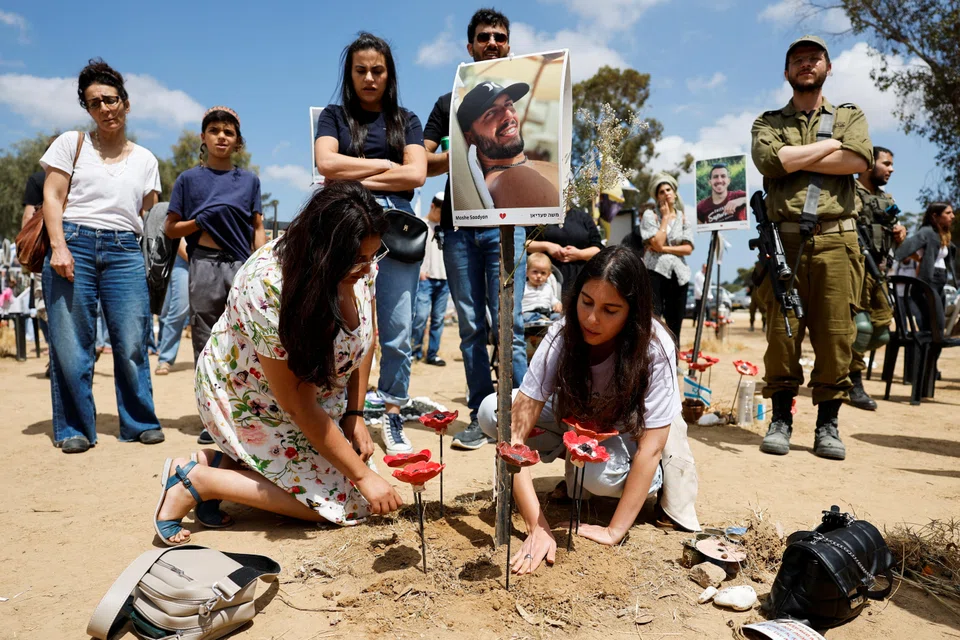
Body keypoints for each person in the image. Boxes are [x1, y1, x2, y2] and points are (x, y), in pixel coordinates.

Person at [154, 182, 404, 545]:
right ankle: (198, 481)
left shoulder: (359, 262)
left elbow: (363, 339)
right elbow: (296, 404)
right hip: (250, 399)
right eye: (358, 261)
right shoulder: (269, 285)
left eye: (373, 256)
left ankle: (221, 464)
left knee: (352, 484)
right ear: (324, 252)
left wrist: (355, 413)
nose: (368, 269)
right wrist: (363, 477)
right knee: (347, 504)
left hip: (311, 397)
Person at [478, 246, 692, 574]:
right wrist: (538, 527)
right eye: (587, 302)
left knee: (598, 479)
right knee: (492, 411)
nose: (592, 319)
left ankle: (650, 482)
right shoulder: (563, 334)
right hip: (573, 420)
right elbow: (515, 433)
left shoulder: (654, 347)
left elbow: (651, 447)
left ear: (632, 312)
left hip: (622, 433)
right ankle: (574, 465)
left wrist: (614, 531)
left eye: (610, 310)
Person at [751, 35, 873, 460]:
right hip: (783, 238)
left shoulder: (849, 114)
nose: (806, 64)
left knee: (837, 333)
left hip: (838, 239)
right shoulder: (767, 122)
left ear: (828, 67)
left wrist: (794, 157)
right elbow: (769, 161)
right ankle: (781, 418)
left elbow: (860, 160)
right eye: (798, 60)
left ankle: (827, 425)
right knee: (782, 333)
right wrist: (830, 147)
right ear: (786, 72)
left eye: (814, 58)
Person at [40, 58, 164, 453]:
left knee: (130, 340)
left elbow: (148, 213)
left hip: (125, 249)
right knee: (72, 343)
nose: (104, 109)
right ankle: (75, 428)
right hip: (74, 241)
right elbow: (52, 196)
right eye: (94, 103)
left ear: (126, 104)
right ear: (88, 110)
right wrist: (58, 245)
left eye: (111, 100)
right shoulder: (70, 143)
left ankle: (139, 421)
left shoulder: (146, 159)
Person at [314, 32, 427, 455]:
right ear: (350, 73)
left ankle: (393, 412)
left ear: (389, 74)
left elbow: (415, 175)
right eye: (360, 69)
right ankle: (342, 412)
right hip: (344, 228)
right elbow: (325, 163)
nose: (369, 77)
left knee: (396, 329)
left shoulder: (408, 120)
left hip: (397, 230)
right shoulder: (333, 116)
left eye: (377, 69)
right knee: (342, 324)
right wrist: (383, 164)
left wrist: (351, 172)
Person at [422, 8, 529, 450]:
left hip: (507, 228)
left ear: (508, 45)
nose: (491, 42)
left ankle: (526, 416)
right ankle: (481, 415)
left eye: (499, 37)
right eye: (483, 36)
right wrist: (457, 151)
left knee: (513, 326)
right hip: (460, 230)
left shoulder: (516, 107)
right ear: (469, 47)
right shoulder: (448, 105)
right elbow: (421, 162)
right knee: (469, 327)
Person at [165, 106, 265, 445]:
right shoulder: (188, 180)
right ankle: (211, 419)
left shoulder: (249, 180)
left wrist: (258, 264)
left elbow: (258, 227)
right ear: (203, 137)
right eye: (215, 130)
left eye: (229, 132)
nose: (222, 136)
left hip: (240, 265)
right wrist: (202, 220)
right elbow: (170, 228)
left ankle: (244, 417)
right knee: (205, 342)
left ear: (237, 141)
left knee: (245, 340)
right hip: (204, 265)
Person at [848, 146, 905, 411]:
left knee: (882, 333)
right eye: (886, 164)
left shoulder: (886, 198)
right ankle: (853, 381)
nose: (891, 169)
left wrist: (899, 232)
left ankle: (844, 363)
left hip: (879, 270)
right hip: (857, 271)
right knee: (862, 329)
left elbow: (891, 229)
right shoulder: (850, 192)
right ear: (869, 165)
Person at [456, 81, 560, 209]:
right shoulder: (513, 180)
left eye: (509, 104)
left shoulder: (520, 172)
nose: (508, 114)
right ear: (470, 137)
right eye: (491, 113)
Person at [640, 173, 694, 340]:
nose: (666, 193)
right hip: (655, 272)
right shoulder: (651, 216)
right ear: (657, 197)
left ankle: (674, 362)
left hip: (679, 275)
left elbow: (688, 248)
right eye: (661, 191)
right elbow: (655, 243)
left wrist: (663, 248)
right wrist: (664, 219)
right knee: (653, 321)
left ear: (675, 192)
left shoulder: (683, 219)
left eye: (668, 189)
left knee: (675, 322)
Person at [526, 206, 603, 299]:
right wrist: (546, 246)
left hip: (579, 278)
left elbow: (598, 249)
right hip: (545, 281)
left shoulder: (583, 217)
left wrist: (579, 254)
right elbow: (524, 243)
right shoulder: (540, 216)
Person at [411, 192, 449, 366]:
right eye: (441, 211)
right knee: (420, 317)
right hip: (426, 279)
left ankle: (432, 354)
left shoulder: (448, 228)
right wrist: (420, 271)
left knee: (438, 319)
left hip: (444, 279)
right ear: (433, 206)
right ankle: (415, 350)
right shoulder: (421, 225)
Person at [895, 202, 956, 303]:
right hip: (930, 279)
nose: (952, 216)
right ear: (935, 216)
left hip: (941, 280)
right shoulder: (927, 232)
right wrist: (921, 260)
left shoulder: (941, 235)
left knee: (937, 317)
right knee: (936, 317)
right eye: (948, 213)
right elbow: (906, 247)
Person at [521, 252, 562, 322]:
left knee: (560, 317)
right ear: (527, 272)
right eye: (535, 272)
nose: (539, 276)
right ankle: (540, 319)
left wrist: (557, 304)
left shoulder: (548, 288)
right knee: (524, 316)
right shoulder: (523, 287)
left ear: (548, 275)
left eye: (543, 273)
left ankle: (543, 319)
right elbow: (517, 302)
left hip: (547, 314)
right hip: (528, 312)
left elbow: (553, 300)